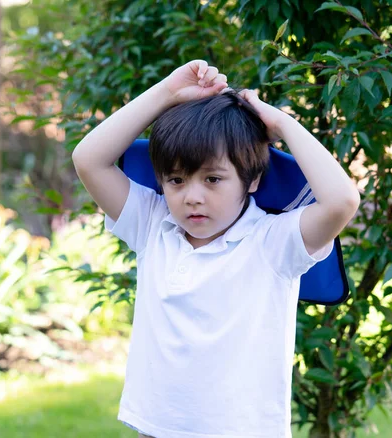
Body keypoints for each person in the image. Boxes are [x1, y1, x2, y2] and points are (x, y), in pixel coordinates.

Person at [72, 60, 360, 438]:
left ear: (252, 178)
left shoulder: (273, 242)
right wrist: (167, 94)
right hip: (156, 428)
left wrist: (283, 124)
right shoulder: (152, 224)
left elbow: (341, 202)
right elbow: (88, 159)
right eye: (176, 179)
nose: (192, 197)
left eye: (213, 179)